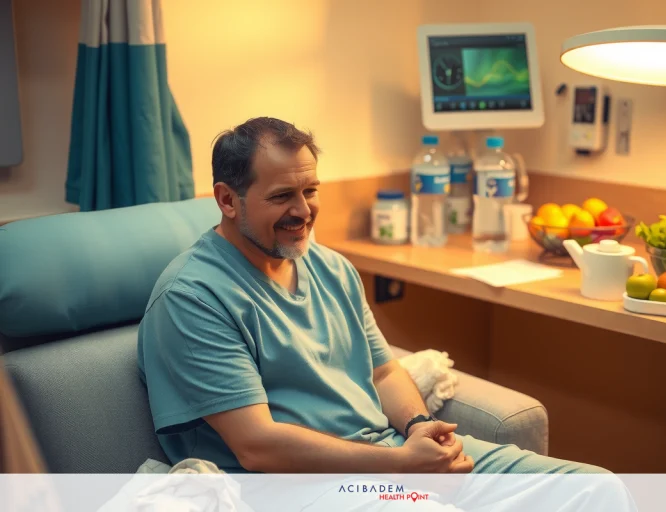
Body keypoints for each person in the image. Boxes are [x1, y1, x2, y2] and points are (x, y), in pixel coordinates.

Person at [137, 116, 612, 477]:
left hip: (386, 450)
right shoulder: (193, 299)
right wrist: (401, 465)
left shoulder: (329, 267)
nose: (303, 211)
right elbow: (257, 446)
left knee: (594, 488)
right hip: (303, 485)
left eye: (311, 190)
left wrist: (418, 426)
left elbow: (383, 371)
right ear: (226, 199)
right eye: (283, 196)